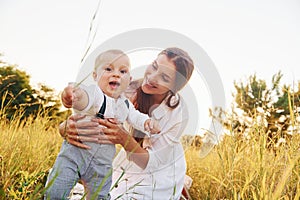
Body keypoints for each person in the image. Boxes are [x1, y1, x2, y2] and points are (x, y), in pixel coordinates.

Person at [60, 47, 195, 199]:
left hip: (159, 169)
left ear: (174, 87)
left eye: (164, 78)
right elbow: (90, 105)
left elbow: (152, 163)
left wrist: (124, 139)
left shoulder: (178, 113)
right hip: (129, 163)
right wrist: (65, 128)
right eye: (154, 66)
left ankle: (179, 186)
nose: (152, 77)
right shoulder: (125, 87)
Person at [45, 49, 160, 200]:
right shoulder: (95, 93)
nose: (116, 74)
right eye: (108, 69)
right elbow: (83, 97)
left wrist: (147, 123)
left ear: (129, 79)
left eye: (123, 71)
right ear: (95, 75)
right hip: (75, 155)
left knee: (100, 195)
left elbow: (136, 117)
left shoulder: (126, 104)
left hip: (102, 163)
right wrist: (72, 94)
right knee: (56, 190)